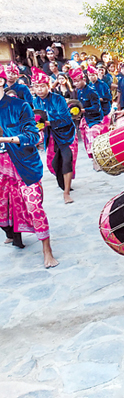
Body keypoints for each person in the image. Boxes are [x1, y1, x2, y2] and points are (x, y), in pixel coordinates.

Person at [0, 65, 58, 268]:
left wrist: (8, 138)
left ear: (1, 81)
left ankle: (47, 250)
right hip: (1, 171)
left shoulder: (19, 106)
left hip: (23, 166)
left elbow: (34, 136)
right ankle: (12, 234)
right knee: (3, 209)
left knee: (34, 206)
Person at [32, 67, 78, 204]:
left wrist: (48, 122)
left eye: (42, 86)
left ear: (48, 86)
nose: (39, 89)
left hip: (65, 134)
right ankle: (65, 183)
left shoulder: (58, 99)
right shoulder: (36, 102)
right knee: (53, 164)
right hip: (50, 136)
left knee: (66, 161)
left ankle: (66, 193)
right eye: (36, 87)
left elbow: (66, 119)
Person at [69, 67, 105, 168]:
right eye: (74, 82)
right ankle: (95, 160)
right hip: (85, 120)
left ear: (84, 80)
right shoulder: (79, 92)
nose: (76, 84)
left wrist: (84, 110)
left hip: (94, 120)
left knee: (93, 140)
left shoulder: (91, 91)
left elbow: (97, 108)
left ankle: (97, 162)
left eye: (77, 81)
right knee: (86, 141)